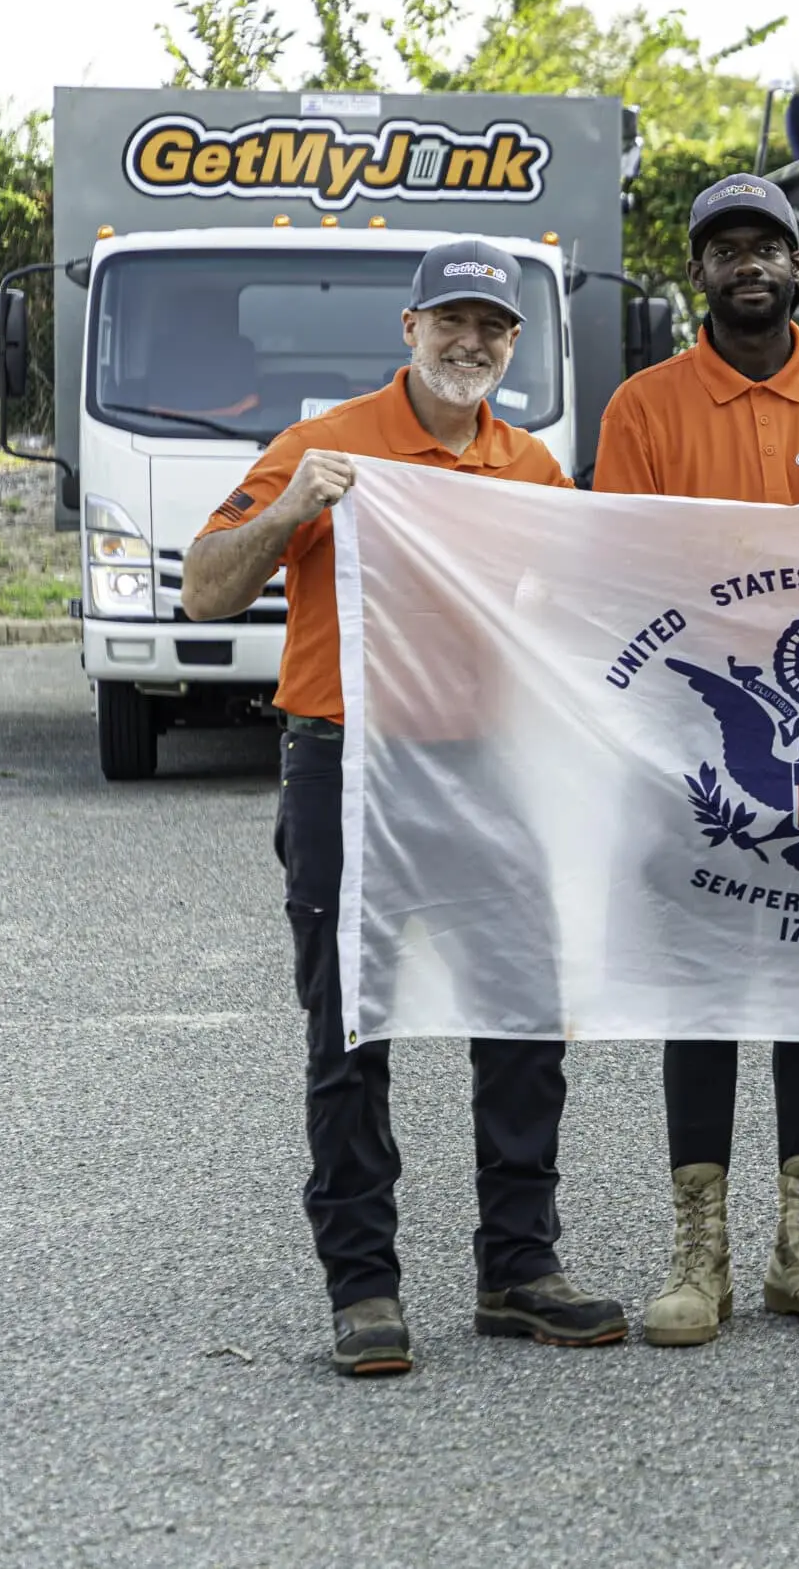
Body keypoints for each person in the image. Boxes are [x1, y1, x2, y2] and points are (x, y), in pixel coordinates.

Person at [181, 239, 626, 1378]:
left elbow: (569, 619)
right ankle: (364, 1288)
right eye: (451, 322)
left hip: (491, 769)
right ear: (410, 329)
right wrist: (291, 506)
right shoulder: (327, 447)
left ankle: (519, 1267)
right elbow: (206, 583)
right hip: (349, 764)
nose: (469, 342)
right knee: (349, 1026)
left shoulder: (531, 466)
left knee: (526, 1016)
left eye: (492, 326)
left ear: (514, 342)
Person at [593, 172, 799, 1348]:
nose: (747, 265)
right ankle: (701, 1256)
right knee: (702, 991)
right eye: (724, 248)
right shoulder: (643, 408)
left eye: (765, 247)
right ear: (699, 273)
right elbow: (624, 576)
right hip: (692, 754)